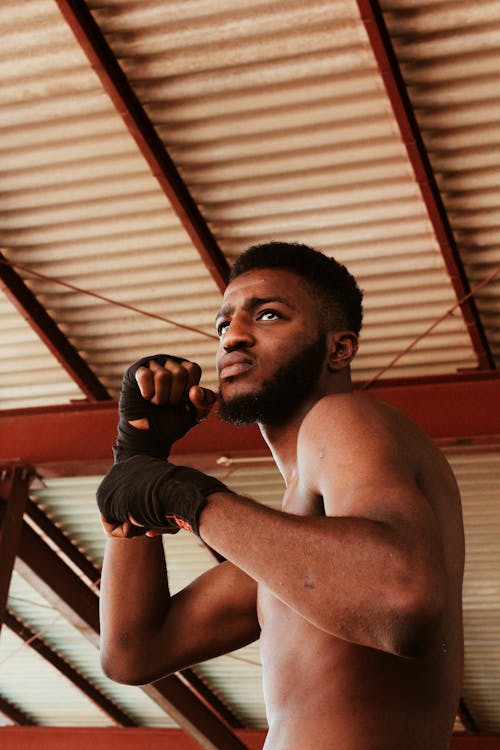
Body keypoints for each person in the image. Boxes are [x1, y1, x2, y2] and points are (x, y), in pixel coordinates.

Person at [97, 241, 464, 750]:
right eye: (223, 324)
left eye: (267, 315)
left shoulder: (341, 418)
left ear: (338, 349)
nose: (233, 338)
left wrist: (188, 498)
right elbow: (133, 653)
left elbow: (400, 601)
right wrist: (139, 457)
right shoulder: (304, 552)